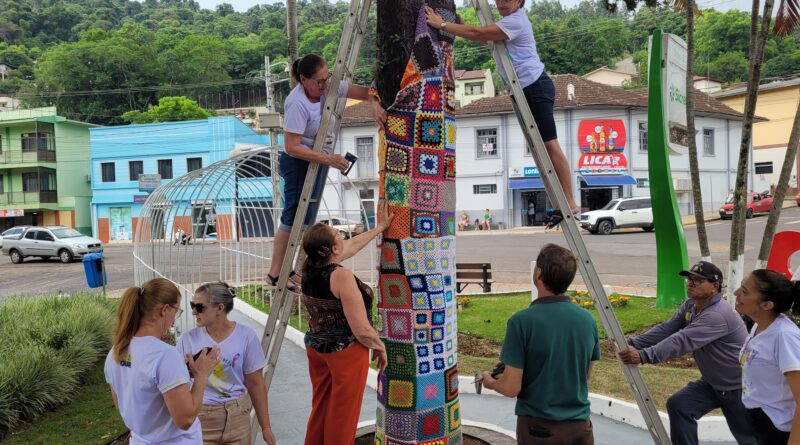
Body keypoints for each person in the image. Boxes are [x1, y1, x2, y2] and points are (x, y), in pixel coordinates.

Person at [426, 1, 580, 224]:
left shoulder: (516, 22)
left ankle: (570, 203)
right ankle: (559, 203)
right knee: (539, 149)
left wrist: (443, 24)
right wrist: (460, 24)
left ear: (520, 2)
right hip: (522, 89)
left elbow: (477, 33)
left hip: (534, 86)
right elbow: (480, 33)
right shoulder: (504, 23)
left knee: (549, 144)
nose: (503, 3)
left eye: (509, 0)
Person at [266, 53, 386, 293]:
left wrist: (374, 103)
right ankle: (275, 272)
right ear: (303, 79)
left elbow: (364, 91)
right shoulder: (296, 103)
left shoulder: (328, 87)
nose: (324, 84)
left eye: (327, 78)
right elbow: (292, 146)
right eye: (319, 81)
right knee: (292, 217)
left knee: (308, 218)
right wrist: (329, 159)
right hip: (298, 161)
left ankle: (297, 271)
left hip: (317, 159)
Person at [617, 261, 757, 445]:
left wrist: (643, 356)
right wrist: (631, 343)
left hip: (737, 388)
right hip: (712, 384)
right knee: (680, 405)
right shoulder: (691, 305)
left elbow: (682, 340)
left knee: (749, 438)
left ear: (714, 286)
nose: (690, 283)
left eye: (698, 280)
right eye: (689, 278)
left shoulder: (717, 314)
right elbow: (667, 329)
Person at [481, 244, 599, 445]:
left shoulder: (521, 322)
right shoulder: (587, 319)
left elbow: (510, 388)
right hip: (581, 428)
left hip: (539, 430)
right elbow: (585, 374)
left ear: (538, 275)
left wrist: (490, 382)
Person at [300, 201, 392, 444]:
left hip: (317, 349)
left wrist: (380, 227)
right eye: (338, 235)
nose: (343, 237)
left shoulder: (308, 269)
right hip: (345, 353)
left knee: (321, 407)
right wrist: (380, 346)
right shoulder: (340, 276)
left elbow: (352, 246)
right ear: (332, 248)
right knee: (343, 414)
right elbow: (361, 329)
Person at [105, 278, 220, 444]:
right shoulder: (165, 355)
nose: (174, 319)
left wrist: (182, 373)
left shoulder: (115, 353)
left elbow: (126, 403)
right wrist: (201, 374)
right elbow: (185, 420)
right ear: (165, 310)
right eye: (177, 311)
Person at [177, 282, 277, 445]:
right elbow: (176, 384)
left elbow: (255, 383)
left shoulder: (246, 336)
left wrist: (266, 427)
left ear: (220, 308)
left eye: (199, 307)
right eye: (192, 305)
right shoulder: (187, 340)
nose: (194, 312)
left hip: (238, 419)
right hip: (200, 421)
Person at [734, 269, 800, 445]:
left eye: (744, 291)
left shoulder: (784, 336)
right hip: (757, 421)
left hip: (777, 431)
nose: (736, 293)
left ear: (767, 305)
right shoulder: (758, 326)